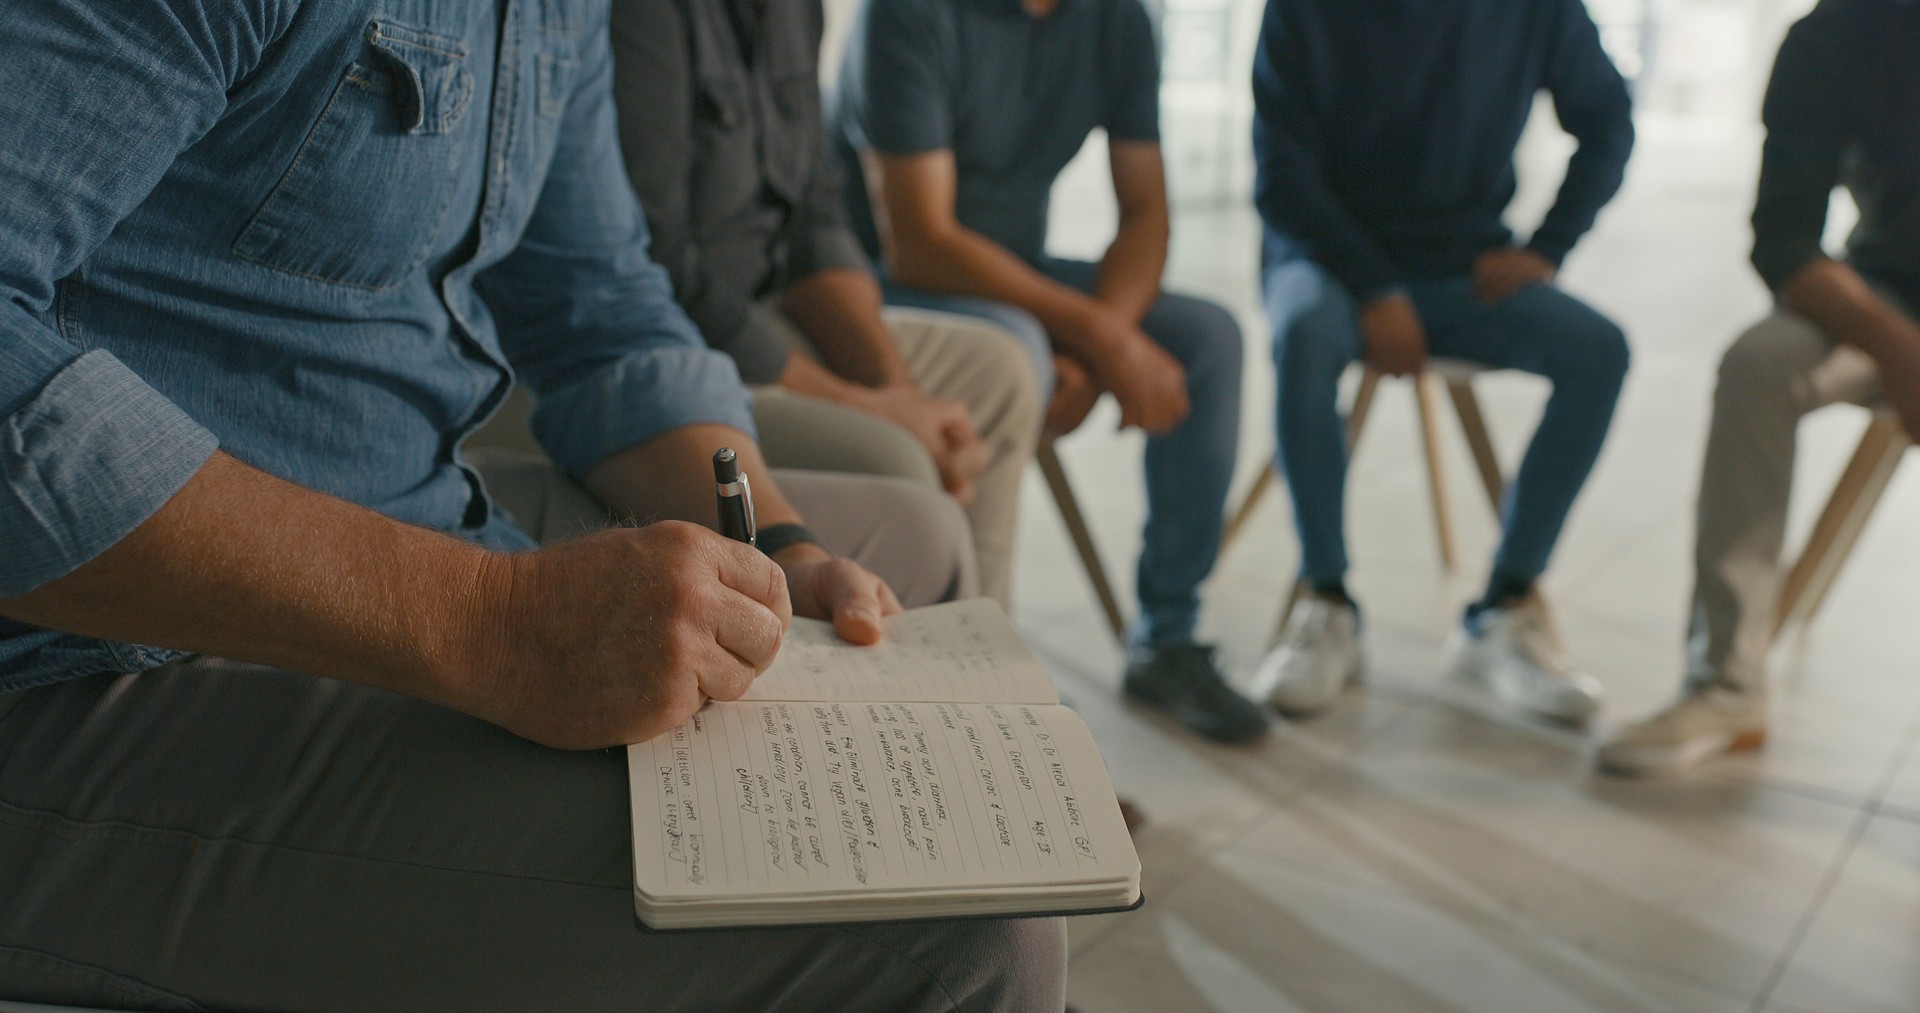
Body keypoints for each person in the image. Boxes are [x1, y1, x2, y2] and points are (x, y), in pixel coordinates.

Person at [0, 2, 1064, 1009]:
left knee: (912, 538)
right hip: (91, 653)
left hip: (411, 496)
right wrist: (494, 623)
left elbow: (597, 302)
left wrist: (778, 541)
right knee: (965, 935)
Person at [833, 0, 1269, 746]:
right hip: (879, 291)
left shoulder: (1119, 20)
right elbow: (919, 243)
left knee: (1210, 339)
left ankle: (1168, 637)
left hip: (1013, 281)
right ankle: (975, 671)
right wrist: (1097, 333)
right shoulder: (906, 14)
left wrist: (1110, 337)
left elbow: (1145, 213)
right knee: (1020, 351)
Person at [1247, 0, 1635, 725]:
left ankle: (1507, 604)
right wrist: (1374, 287)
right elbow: (1280, 176)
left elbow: (1609, 118)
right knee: (1303, 332)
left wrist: (1548, 247)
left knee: (1598, 349)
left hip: (1461, 265)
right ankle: (1326, 598)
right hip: (1325, 258)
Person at [600, 0, 1041, 606]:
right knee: (897, 456)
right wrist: (871, 408)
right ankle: (881, 674)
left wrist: (896, 389)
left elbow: (814, 217)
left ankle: (982, 655)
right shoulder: (639, 17)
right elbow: (658, 264)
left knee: (1000, 372)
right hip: (677, 340)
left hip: (772, 311)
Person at [1601, 0, 1920, 777]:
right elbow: (1783, 241)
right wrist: (1899, 349)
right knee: (1758, 364)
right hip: (1885, 297)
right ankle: (1727, 681)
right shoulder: (1837, 34)